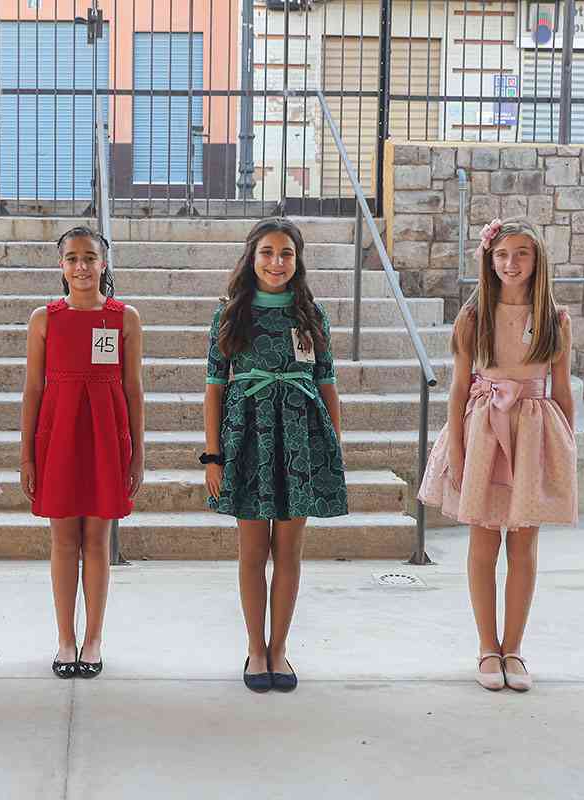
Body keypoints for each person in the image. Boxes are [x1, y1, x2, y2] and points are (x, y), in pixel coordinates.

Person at [419, 217, 577, 692]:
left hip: (533, 435)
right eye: (503, 255)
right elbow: (457, 389)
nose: (512, 263)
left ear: (537, 260)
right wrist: (458, 451)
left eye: (522, 254)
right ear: (489, 260)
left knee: (524, 544)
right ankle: (488, 647)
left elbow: (562, 391)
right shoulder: (474, 318)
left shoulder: (555, 319)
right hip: (484, 430)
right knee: (484, 542)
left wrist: (566, 450)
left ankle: (514, 649)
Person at [203, 217, 348, 694]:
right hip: (247, 438)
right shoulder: (230, 314)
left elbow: (327, 384)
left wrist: (332, 449)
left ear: (298, 260)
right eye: (267, 252)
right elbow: (214, 389)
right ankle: (255, 647)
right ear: (252, 257)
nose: (276, 262)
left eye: (286, 253)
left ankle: (279, 647)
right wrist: (213, 456)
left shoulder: (311, 315)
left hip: (300, 438)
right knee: (252, 551)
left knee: (289, 550)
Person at [20, 226, 145, 679]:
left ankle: (93, 637)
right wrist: (27, 454)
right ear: (61, 266)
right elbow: (33, 389)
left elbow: (133, 388)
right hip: (59, 435)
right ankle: (65, 638)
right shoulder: (44, 319)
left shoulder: (124, 317)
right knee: (62, 539)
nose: (81, 266)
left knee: (96, 539)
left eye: (89, 257)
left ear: (103, 263)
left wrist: (137, 452)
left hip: (106, 436)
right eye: (72, 258)